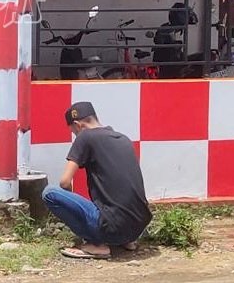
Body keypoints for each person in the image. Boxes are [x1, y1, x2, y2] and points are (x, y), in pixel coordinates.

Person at [43, 102, 152, 260]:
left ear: (78, 125)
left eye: (73, 132)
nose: (75, 135)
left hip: (112, 227)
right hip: (139, 226)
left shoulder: (85, 137)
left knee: (50, 193)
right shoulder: (123, 138)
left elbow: (65, 182)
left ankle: (97, 244)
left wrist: (74, 208)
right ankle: (127, 240)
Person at [153, 2, 197, 79]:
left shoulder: (174, 30)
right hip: (168, 66)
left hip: (174, 64)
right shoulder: (166, 29)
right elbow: (159, 42)